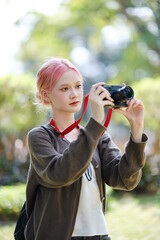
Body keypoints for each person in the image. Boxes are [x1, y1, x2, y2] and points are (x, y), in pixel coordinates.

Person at [25, 57, 147, 240]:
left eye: (78, 86)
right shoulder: (40, 136)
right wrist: (95, 123)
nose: (74, 94)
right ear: (45, 95)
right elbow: (61, 173)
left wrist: (136, 129)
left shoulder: (98, 136)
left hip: (98, 235)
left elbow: (125, 180)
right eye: (64, 88)